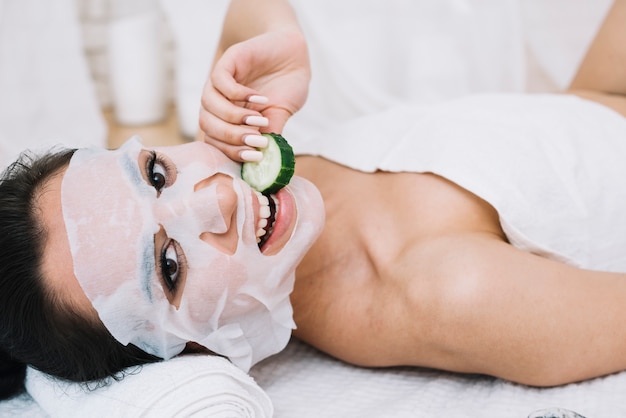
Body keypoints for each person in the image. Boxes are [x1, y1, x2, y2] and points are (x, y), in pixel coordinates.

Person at [0, 0, 625, 402]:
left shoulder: (260, 186)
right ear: (189, 351)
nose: (214, 197)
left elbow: (251, 15)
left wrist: (275, 37)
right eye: (169, 267)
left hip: (594, 102)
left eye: (156, 173)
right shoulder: (440, 292)